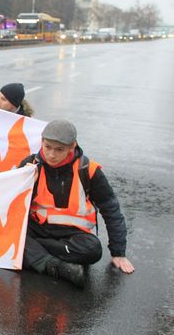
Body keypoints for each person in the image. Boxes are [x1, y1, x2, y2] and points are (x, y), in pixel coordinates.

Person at [19, 119, 134, 288]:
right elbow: (10, 206)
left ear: (72, 146)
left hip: (73, 235)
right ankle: (56, 267)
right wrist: (25, 183)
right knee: (9, 235)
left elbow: (111, 210)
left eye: (59, 150)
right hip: (38, 229)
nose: (51, 154)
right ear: (42, 142)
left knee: (93, 251)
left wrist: (118, 252)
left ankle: (36, 255)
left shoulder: (88, 169)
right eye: (47, 147)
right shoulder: (30, 166)